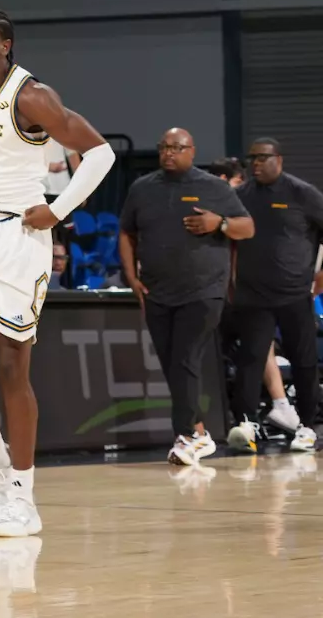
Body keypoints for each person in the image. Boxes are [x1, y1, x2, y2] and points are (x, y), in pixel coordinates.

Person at [0, 7, 117, 537]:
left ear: (5, 45)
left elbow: (100, 154)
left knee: (12, 367)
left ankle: (24, 494)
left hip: (19, 236)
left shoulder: (31, 97)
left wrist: (59, 210)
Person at [115, 127, 253, 468]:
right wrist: (132, 276)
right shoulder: (142, 188)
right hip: (158, 291)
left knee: (185, 358)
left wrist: (218, 223)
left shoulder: (214, 187)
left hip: (204, 290)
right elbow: (126, 232)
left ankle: (188, 436)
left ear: (192, 151)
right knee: (173, 364)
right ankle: (200, 432)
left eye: (177, 147)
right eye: (164, 147)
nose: (169, 153)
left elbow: (246, 228)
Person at [226, 137, 323, 453]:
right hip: (253, 295)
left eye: (262, 157)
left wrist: (321, 273)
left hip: (295, 293)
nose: (255, 163)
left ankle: (307, 427)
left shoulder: (302, 194)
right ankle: (246, 425)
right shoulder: (239, 196)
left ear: (278, 159)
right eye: (252, 158)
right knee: (250, 361)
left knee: (304, 361)